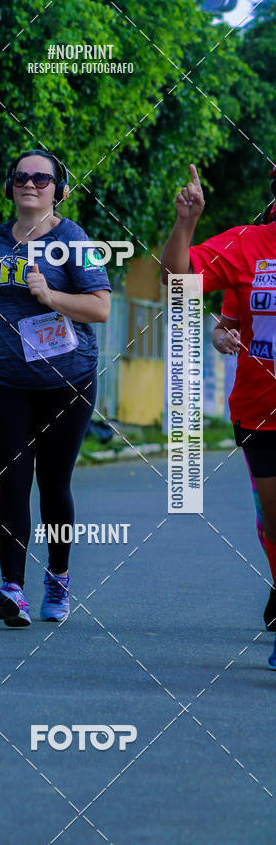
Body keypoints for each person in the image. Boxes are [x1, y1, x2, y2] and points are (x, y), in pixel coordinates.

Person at [0, 149, 111, 626]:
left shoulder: (74, 240)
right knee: (13, 483)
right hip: (4, 379)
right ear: (10, 185)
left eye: (42, 178)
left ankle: (58, 579)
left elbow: (100, 307)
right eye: (22, 176)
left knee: (54, 484)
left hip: (67, 380)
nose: (30, 184)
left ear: (58, 190)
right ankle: (12, 589)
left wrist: (51, 297)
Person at [161, 164, 276, 667]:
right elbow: (178, 282)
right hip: (261, 410)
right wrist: (186, 223)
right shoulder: (250, 245)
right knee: (274, 516)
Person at [212, 290, 275, 629]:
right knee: (269, 515)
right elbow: (222, 328)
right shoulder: (249, 264)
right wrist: (224, 339)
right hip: (259, 410)